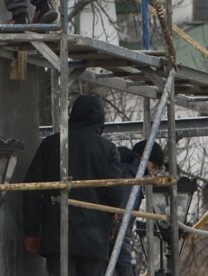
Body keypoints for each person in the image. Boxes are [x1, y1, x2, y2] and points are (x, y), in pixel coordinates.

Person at [21, 93, 131, 274]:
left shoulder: (50, 145)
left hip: (56, 237)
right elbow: (115, 195)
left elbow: (31, 191)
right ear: (100, 119)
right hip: (94, 241)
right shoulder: (107, 149)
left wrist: (31, 231)